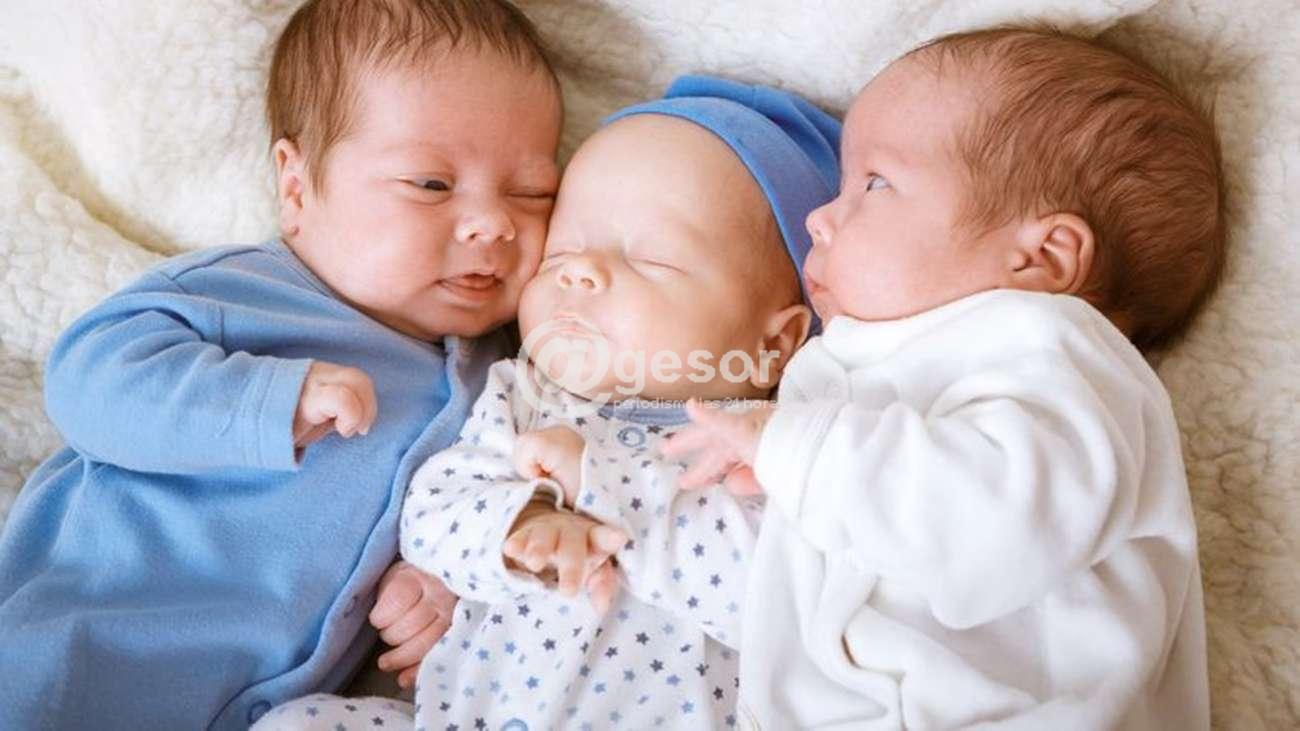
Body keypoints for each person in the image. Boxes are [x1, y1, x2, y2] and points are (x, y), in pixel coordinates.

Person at [0, 1, 562, 727]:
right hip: (86, 640)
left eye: (532, 192)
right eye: (431, 184)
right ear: (296, 188)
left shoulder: (507, 377)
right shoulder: (239, 292)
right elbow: (86, 380)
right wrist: (261, 404)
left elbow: (477, 501)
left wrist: (438, 579)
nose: (495, 223)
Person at [665, 27, 1223, 730]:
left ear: (1042, 257)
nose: (819, 218)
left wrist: (803, 452)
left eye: (875, 183)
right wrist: (788, 480)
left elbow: (997, 523)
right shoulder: (888, 361)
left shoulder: (1061, 355)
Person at [253, 74, 841, 731]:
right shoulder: (522, 397)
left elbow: (771, 600)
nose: (580, 271)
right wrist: (513, 530)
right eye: (562, 250)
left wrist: (600, 485)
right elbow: (432, 513)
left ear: (776, 342)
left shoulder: (777, 445)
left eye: (652, 259)